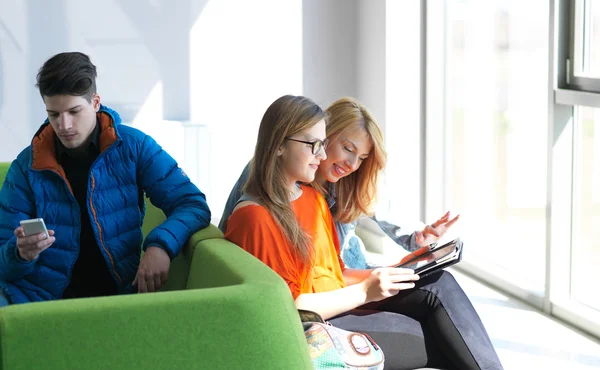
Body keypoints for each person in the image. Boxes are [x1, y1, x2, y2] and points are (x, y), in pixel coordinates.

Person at [225, 95, 504, 370]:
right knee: (444, 336)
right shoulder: (256, 216)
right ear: (278, 145)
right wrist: (364, 292)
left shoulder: (312, 199)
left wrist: (395, 270)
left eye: (321, 145)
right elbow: (289, 310)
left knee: (439, 283)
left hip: (336, 303)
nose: (321, 155)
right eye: (314, 145)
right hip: (312, 326)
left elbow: (335, 272)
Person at [0, 52, 211, 306]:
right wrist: (20, 253)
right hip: (41, 300)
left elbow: (192, 203)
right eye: (53, 114)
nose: (64, 125)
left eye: (74, 111)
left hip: (117, 295)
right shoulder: (26, 166)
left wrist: (161, 245)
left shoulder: (134, 146)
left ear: (96, 102)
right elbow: (4, 261)